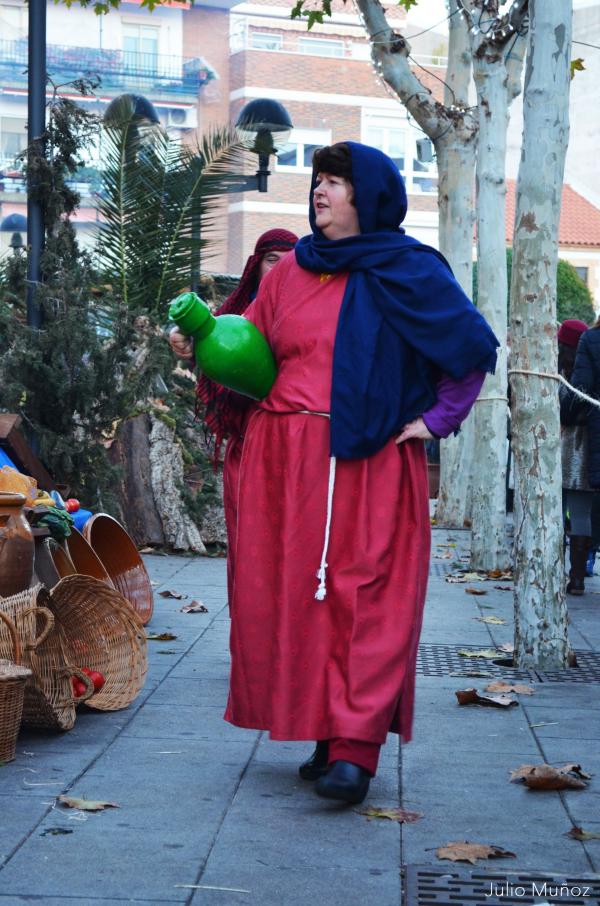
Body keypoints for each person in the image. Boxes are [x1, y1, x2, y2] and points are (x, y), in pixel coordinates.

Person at [223, 141, 498, 805]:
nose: (320, 190)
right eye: (318, 179)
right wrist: (203, 341)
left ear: (369, 195)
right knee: (300, 600)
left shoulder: (409, 270)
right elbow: (251, 346)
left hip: (367, 459)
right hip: (286, 462)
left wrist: (433, 422)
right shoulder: (289, 271)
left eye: (337, 182)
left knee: (365, 600)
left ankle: (355, 748)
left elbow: (470, 351)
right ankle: (324, 729)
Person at [168, 228, 298, 600]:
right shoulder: (239, 311)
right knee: (249, 541)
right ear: (256, 267)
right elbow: (206, 337)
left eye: (289, 260)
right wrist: (182, 338)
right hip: (245, 444)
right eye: (272, 260)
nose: (280, 268)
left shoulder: (303, 310)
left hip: (292, 440)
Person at [562, 317, 600, 593]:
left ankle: (575, 578)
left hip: (587, 435)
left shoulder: (592, 340)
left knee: (578, 508)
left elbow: (580, 389)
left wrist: (563, 416)